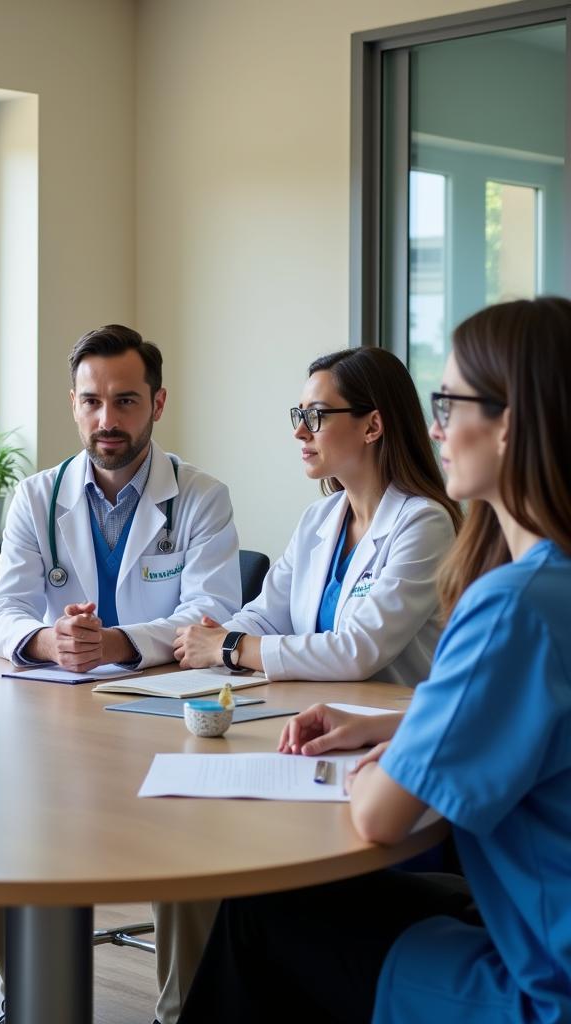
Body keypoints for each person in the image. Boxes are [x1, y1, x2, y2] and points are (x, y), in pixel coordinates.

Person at [180, 296, 571, 1024]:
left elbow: (382, 813)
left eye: (450, 402)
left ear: (511, 421)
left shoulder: (509, 602)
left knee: (260, 915)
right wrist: (401, 727)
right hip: (537, 928)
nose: (436, 427)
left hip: (538, 987)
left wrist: (385, 764)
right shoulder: (551, 585)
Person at [0, 324, 242, 1024]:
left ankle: (181, 1010)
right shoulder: (38, 497)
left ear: (158, 403)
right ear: (72, 404)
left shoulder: (201, 497)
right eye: (92, 401)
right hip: (53, 720)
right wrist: (48, 640)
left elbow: (212, 613)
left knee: (192, 841)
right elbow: (2, 610)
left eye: (126, 401)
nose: (108, 420)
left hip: (164, 713)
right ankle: (28, 996)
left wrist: (115, 643)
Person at [173, 346, 461, 685]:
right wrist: (216, 637)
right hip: (313, 711)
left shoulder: (424, 523)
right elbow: (265, 618)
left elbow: (357, 651)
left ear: (372, 426)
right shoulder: (318, 519)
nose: (300, 432)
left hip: (386, 725)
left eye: (317, 416)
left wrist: (229, 646)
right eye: (300, 415)